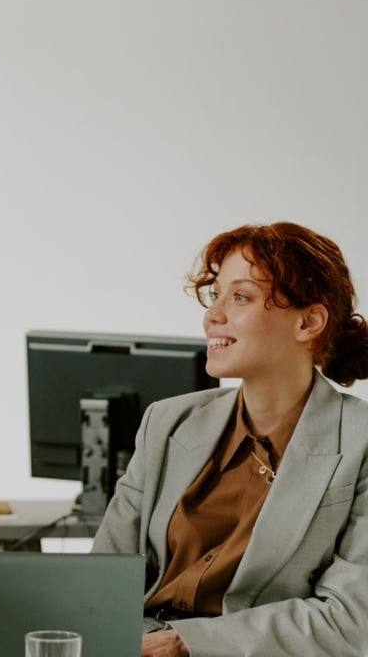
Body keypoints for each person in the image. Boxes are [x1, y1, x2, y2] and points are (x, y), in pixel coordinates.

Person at [92, 222, 368, 657]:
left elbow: (352, 620)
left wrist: (185, 644)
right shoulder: (167, 422)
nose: (212, 315)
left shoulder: (360, 441)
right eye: (214, 294)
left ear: (308, 322)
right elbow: (101, 584)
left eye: (239, 297)